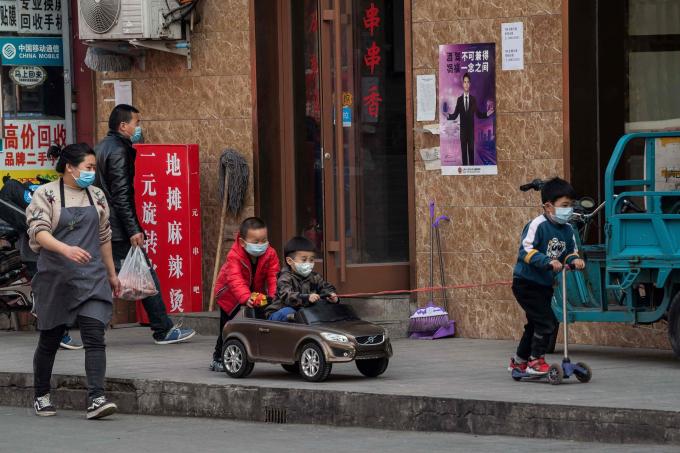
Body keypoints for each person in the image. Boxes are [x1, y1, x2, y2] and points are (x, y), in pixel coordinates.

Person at [27, 144, 120, 419]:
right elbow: (39, 232)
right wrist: (66, 249)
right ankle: (41, 395)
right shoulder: (46, 195)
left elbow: (104, 238)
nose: (93, 173)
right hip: (56, 278)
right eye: (89, 167)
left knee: (95, 336)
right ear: (70, 167)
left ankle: (96, 398)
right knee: (50, 338)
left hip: (91, 277)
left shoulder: (98, 196)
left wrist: (112, 274)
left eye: (93, 168)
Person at [94, 104, 195, 345]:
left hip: (102, 224)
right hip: (116, 228)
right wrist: (133, 229)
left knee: (99, 277)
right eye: (136, 123)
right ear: (123, 126)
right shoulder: (119, 150)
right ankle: (162, 329)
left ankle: (70, 329)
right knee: (145, 276)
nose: (138, 128)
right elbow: (121, 194)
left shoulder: (101, 147)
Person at [508, 177, 585, 375]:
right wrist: (547, 261)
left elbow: (570, 251)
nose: (569, 210)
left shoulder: (567, 230)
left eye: (571, 205)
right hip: (526, 284)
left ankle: (519, 361)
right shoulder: (537, 225)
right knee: (546, 321)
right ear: (549, 206)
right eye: (564, 205)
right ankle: (536, 360)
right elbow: (525, 251)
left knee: (534, 324)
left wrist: (574, 260)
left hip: (544, 285)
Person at [211, 217, 280, 372]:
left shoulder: (270, 254)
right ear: (243, 242)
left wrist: (275, 296)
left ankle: (245, 353)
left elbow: (273, 276)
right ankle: (218, 357)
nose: (261, 245)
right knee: (228, 327)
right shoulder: (234, 255)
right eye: (255, 242)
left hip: (254, 296)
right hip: (230, 297)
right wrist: (245, 297)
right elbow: (235, 279)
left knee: (250, 324)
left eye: (264, 240)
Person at [266, 236, 338, 322]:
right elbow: (287, 296)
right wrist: (307, 298)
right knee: (290, 312)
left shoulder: (315, 277)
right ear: (289, 261)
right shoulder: (284, 278)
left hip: (303, 314)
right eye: (304, 260)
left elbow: (326, 287)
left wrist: (331, 295)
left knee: (324, 308)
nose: (308, 263)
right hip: (279, 313)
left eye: (311, 260)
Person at [444, 72, 494, 166]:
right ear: (463, 84)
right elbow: (455, 115)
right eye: (465, 82)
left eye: (468, 82)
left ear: (469, 84)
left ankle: (471, 172)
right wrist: (448, 115)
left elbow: (479, 114)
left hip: (471, 133)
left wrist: (488, 113)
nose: (466, 84)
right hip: (463, 133)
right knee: (464, 155)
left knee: (471, 155)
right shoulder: (459, 100)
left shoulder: (473, 99)